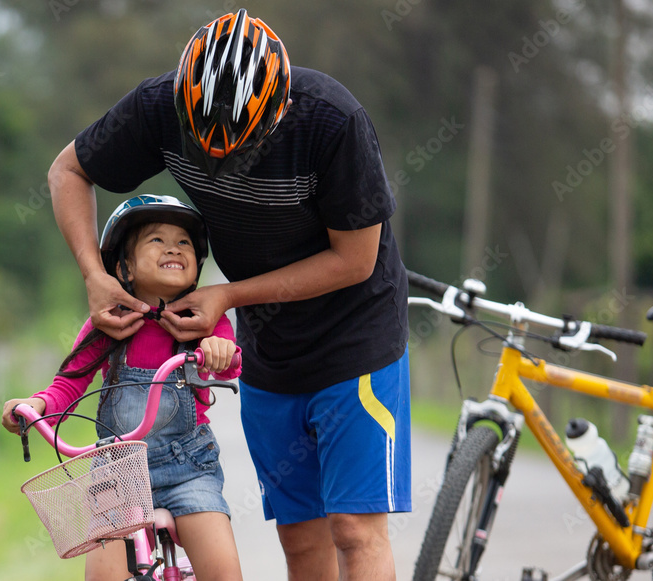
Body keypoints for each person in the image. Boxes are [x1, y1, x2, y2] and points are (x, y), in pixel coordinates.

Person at [47, 10, 410, 581]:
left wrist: (229, 295)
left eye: (239, 147)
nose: (217, 160)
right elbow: (68, 170)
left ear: (280, 108)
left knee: (354, 531)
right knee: (300, 535)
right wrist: (94, 274)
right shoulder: (156, 106)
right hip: (268, 343)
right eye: (202, 146)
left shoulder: (332, 121)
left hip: (355, 337)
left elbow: (355, 259)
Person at [1, 195, 243, 581]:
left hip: (188, 468)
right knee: (102, 574)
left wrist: (218, 349)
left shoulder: (203, 318)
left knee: (223, 569)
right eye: (156, 240)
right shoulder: (108, 322)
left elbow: (229, 360)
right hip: (118, 472)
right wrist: (37, 405)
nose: (172, 248)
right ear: (124, 266)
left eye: (184, 243)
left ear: (197, 265)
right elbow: (70, 380)